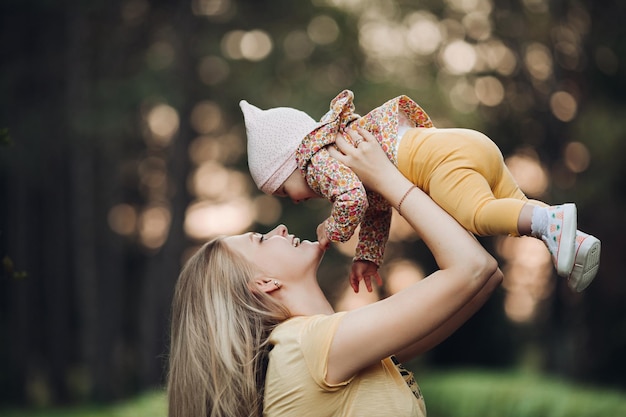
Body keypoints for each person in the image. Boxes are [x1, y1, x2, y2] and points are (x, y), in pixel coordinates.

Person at [167, 131, 503, 417]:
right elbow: (473, 268)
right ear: (264, 283)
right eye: (261, 239)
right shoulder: (308, 347)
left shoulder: (328, 349)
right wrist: (384, 177)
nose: (280, 228)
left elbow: (484, 280)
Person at [239, 90, 601, 293]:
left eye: (285, 192)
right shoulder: (343, 146)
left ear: (292, 162)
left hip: (442, 164)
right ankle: (575, 240)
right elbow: (377, 207)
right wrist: (368, 254)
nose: (296, 199)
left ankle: (551, 219)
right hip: (469, 144)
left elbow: (352, 199)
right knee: (515, 210)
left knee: (476, 216)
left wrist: (332, 230)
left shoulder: (316, 161)